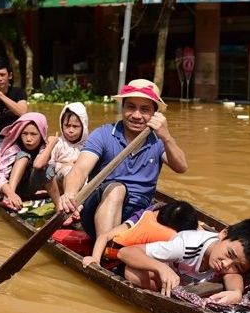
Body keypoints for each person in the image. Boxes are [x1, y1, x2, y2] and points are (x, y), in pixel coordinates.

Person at [58, 79, 188, 239]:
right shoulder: (103, 134)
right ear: (123, 108)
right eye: (131, 107)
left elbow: (181, 167)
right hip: (98, 211)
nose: (136, 115)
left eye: (145, 109)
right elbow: (79, 170)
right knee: (117, 189)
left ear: (154, 114)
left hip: (137, 217)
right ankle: (105, 248)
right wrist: (70, 194)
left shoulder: (159, 140)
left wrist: (167, 137)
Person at [118, 218, 250, 305]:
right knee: (132, 273)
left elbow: (234, 276)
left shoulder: (227, 264)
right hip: (163, 274)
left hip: (185, 283)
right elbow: (125, 252)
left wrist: (236, 293)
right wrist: (161, 268)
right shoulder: (185, 247)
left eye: (237, 266)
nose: (226, 264)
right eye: (229, 254)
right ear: (223, 234)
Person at [82, 200, 198, 268]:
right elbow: (104, 236)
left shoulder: (181, 233)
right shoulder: (140, 219)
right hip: (118, 261)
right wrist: (95, 259)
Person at [0, 112, 59, 211]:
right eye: (24, 134)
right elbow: (0, 177)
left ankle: (60, 208)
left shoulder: (44, 148)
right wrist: (11, 194)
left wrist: (51, 145)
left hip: (29, 188)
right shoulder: (13, 149)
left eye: (33, 134)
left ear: (41, 134)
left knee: (48, 169)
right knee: (23, 156)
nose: (28, 139)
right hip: (9, 189)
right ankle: (9, 200)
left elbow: (38, 165)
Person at [35, 102, 89, 225]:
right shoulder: (58, 143)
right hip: (60, 183)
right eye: (67, 125)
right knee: (68, 170)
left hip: (81, 185)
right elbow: (48, 166)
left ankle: (80, 206)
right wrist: (66, 165)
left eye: (75, 127)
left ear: (83, 127)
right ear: (62, 124)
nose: (70, 130)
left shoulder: (89, 145)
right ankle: (65, 208)